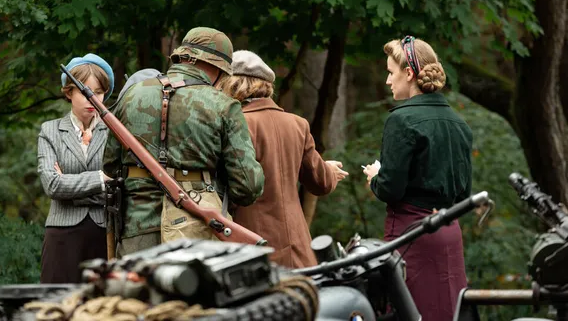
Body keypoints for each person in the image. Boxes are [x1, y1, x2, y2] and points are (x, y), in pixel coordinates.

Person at [103, 27, 265, 257]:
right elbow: (249, 187)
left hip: (136, 231)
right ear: (218, 68)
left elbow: (109, 165)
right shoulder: (223, 105)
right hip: (197, 233)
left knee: (136, 293)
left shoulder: (132, 94)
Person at [362, 36, 473, 320]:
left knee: (411, 312)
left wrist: (376, 177)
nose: (388, 81)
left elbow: (390, 189)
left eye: (391, 72)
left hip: (413, 236)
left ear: (409, 74)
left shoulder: (401, 120)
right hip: (450, 235)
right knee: (450, 310)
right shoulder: (459, 123)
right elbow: (463, 193)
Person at [217, 50, 349, 268]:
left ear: (232, 85)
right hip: (298, 248)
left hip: (253, 250)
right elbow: (321, 183)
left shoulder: (234, 125)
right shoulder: (297, 124)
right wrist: (329, 171)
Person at [37, 53, 114, 283]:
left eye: (99, 93)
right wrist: (101, 178)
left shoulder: (114, 132)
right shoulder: (50, 130)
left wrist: (70, 190)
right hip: (61, 236)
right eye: (85, 92)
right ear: (69, 92)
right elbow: (52, 185)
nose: (93, 99)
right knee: (56, 308)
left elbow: (120, 185)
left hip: (105, 234)